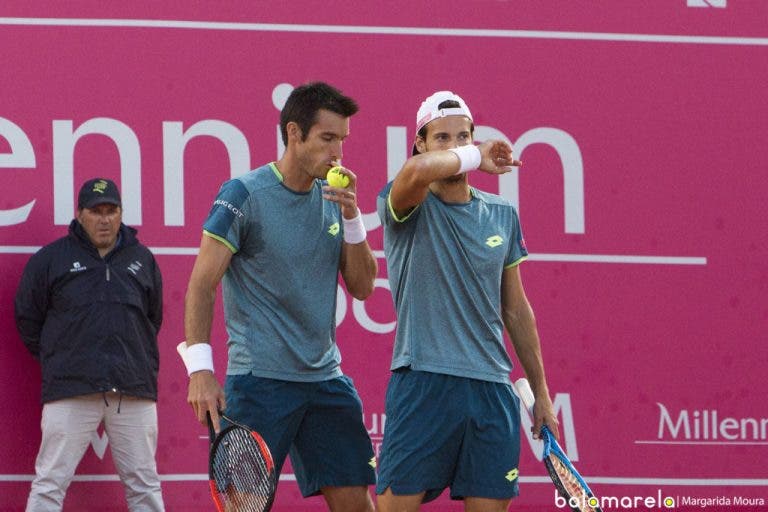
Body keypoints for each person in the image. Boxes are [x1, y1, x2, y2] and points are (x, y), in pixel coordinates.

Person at [182, 81, 377, 511]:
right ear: (294, 133)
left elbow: (363, 287)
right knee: (244, 508)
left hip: (326, 382)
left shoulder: (336, 199)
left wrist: (352, 216)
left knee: (358, 503)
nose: (337, 152)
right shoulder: (244, 194)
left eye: (342, 140)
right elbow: (202, 282)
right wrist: (200, 370)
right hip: (259, 383)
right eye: (327, 138)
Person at [375, 91, 561, 512]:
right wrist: (475, 155)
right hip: (423, 380)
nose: (454, 144)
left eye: (463, 135)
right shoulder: (405, 200)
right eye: (442, 138)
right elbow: (417, 172)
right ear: (420, 143)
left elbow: (515, 308)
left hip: (491, 389)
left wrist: (543, 393)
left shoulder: (502, 214)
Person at [14, 178, 165, 512]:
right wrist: (61, 359)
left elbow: (152, 320)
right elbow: (28, 318)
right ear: (79, 214)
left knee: (145, 487)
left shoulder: (142, 259)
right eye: (96, 211)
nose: (104, 219)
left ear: (121, 213)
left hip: (132, 389)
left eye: (111, 210)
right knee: (50, 483)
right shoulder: (51, 260)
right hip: (71, 389)